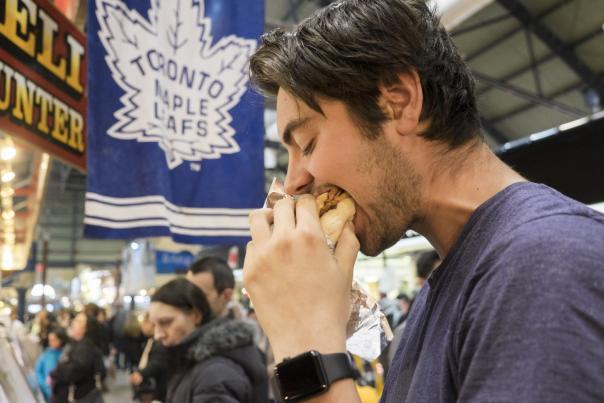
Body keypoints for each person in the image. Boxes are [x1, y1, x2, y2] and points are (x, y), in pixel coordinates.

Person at [243, 0, 604, 402]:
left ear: (398, 101)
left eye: (308, 142)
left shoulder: (543, 262)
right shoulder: (441, 295)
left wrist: (306, 348)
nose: (293, 183)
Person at [149, 278, 268, 403]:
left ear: (196, 315)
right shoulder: (195, 362)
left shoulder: (214, 373)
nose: (158, 335)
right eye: (154, 325)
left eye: (166, 322)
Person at [51, 312, 106, 403]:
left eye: (78, 321)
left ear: (86, 328)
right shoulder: (76, 344)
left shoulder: (86, 348)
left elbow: (74, 371)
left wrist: (56, 372)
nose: (73, 323)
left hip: (82, 397)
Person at [129, 312, 168, 403]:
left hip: (156, 387)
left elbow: (157, 362)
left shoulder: (158, 342)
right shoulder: (151, 340)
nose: (141, 326)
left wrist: (142, 373)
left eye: (144, 322)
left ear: (151, 323)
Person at [35, 327, 69, 402]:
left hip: (59, 394)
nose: (51, 343)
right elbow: (38, 370)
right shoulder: (47, 352)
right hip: (46, 391)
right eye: (50, 340)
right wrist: (43, 385)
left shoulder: (66, 354)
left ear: (61, 340)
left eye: (54, 340)